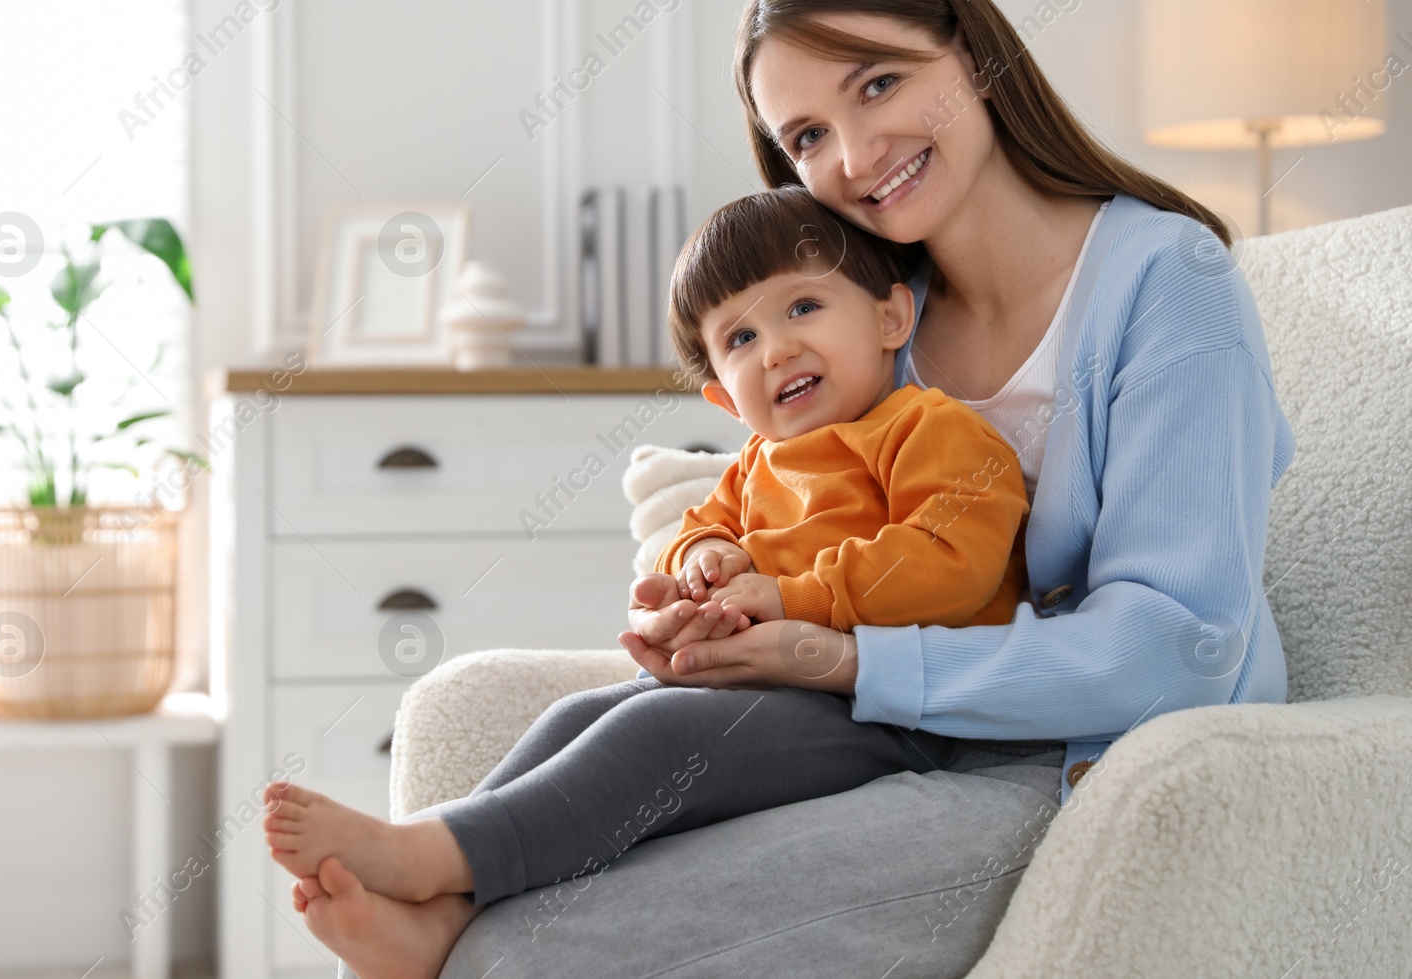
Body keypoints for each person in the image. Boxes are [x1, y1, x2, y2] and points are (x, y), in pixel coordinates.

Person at [272, 0, 1293, 979]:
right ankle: (445, 888)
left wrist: (838, 652)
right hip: (869, 718)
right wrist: (699, 597)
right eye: (806, 134)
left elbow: (1180, 646)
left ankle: (449, 911)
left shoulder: (1169, 283)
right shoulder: (864, 317)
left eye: (879, 83)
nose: (853, 157)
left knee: (543, 950)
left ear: (973, 54)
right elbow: (777, 514)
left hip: (1076, 758)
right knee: (590, 754)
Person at [260, 184, 1041, 975]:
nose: (775, 349)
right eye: (740, 336)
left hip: (903, 713)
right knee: (581, 718)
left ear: (890, 317)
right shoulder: (755, 466)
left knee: (657, 735)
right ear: (721, 396)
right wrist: (696, 568)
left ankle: (428, 854)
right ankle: (445, 907)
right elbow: (700, 532)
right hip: (777, 694)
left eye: (803, 307)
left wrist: (784, 595)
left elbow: (952, 563)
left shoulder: (927, 427)